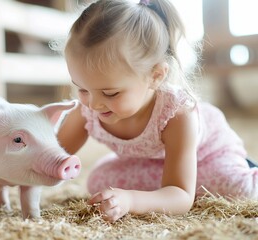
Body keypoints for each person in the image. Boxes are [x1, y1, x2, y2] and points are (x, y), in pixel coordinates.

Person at [55, 0, 258, 223]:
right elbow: (48, 157)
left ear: (156, 76)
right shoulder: (86, 108)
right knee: (99, 182)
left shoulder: (177, 113)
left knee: (237, 189)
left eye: (110, 93)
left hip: (208, 154)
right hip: (151, 161)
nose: (93, 104)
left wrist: (131, 201)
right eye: (82, 88)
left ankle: (247, 168)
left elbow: (181, 196)